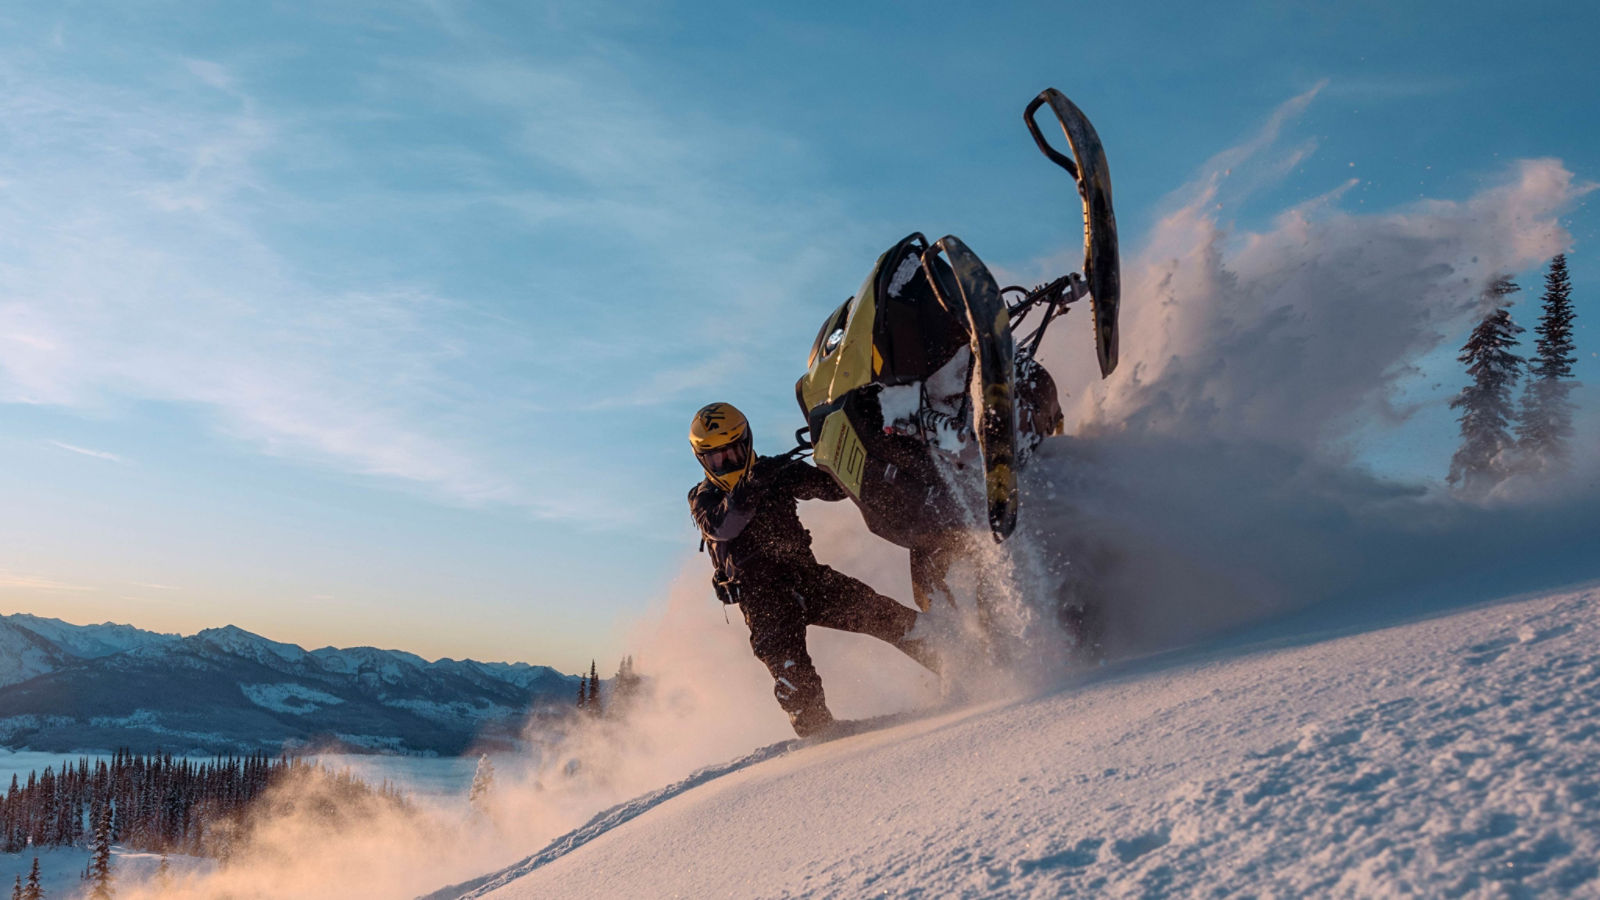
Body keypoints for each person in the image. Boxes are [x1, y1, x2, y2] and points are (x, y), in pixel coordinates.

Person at [687, 401, 936, 736]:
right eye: (716, 457)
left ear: (746, 443)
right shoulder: (704, 497)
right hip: (763, 601)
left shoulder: (774, 472)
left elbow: (832, 487)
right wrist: (753, 485)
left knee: (882, 615)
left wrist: (844, 454)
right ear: (702, 459)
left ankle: (957, 657)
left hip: (807, 578)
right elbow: (723, 526)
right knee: (794, 680)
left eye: (732, 451)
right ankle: (818, 744)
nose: (726, 461)